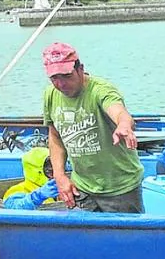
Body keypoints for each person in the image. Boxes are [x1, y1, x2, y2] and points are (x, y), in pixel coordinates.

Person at [41, 42, 144, 213]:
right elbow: (55, 137)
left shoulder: (100, 90)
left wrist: (124, 125)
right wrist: (60, 176)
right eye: (54, 78)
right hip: (82, 187)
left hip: (120, 188)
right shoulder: (50, 95)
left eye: (66, 76)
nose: (61, 84)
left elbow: (119, 111)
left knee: (123, 239)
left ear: (80, 69)